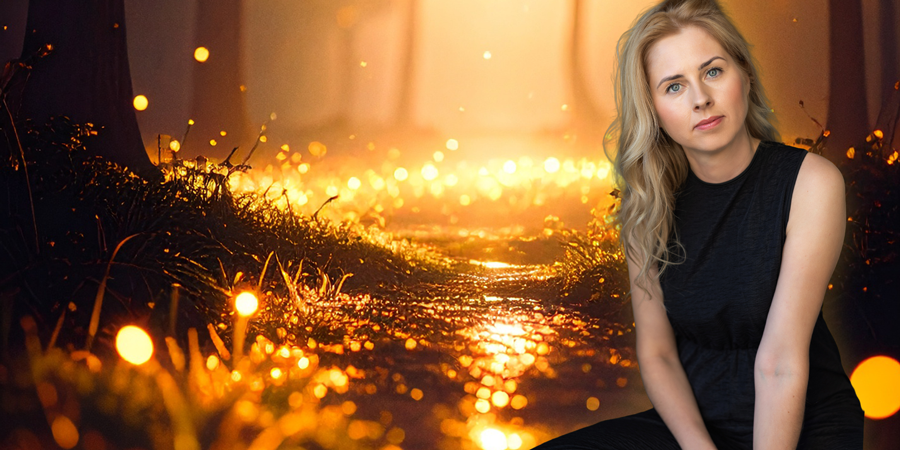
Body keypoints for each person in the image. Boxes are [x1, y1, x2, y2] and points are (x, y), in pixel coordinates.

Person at [532, 0, 863, 448]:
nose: (700, 99)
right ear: (653, 108)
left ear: (743, 75)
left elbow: (779, 361)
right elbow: (658, 354)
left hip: (801, 424)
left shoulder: (811, 183)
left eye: (712, 71)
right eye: (673, 87)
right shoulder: (647, 204)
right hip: (695, 429)